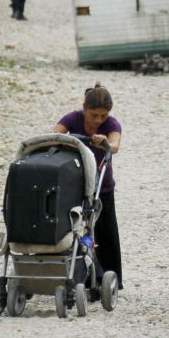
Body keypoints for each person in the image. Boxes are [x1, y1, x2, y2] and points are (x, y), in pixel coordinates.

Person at [54, 83, 124, 290]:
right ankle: (75, 274)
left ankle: (109, 279)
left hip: (101, 186)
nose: (98, 120)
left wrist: (104, 142)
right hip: (74, 183)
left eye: (103, 116)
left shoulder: (112, 124)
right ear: (84, 108)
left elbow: (115, 145)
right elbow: (55, 133)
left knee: (105, 231)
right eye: (94, 115)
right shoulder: (72, 119)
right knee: (73, 229)